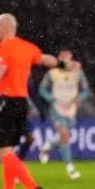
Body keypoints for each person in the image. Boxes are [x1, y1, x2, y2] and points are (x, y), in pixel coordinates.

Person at [0, 13, 78, 189]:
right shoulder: (26, 47)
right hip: (21, 103)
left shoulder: (2, 48)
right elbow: (45, 60)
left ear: (5, 28)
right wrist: (63, 65)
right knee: (8, 150)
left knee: (3, 151)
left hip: (6, 102)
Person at [38, 48, 90, 179]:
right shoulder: (52, 73)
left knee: (64, 137)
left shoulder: (78, 73)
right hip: (57, 109)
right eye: (63, 59)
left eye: (68, 59)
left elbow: (86, 90)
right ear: (59, 59)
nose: (66, 62)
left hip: (71, 109)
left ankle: (48, 146)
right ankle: (70, 168)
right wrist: (51, 98)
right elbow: (42, 89)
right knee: (64, 134)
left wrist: (80, 97)